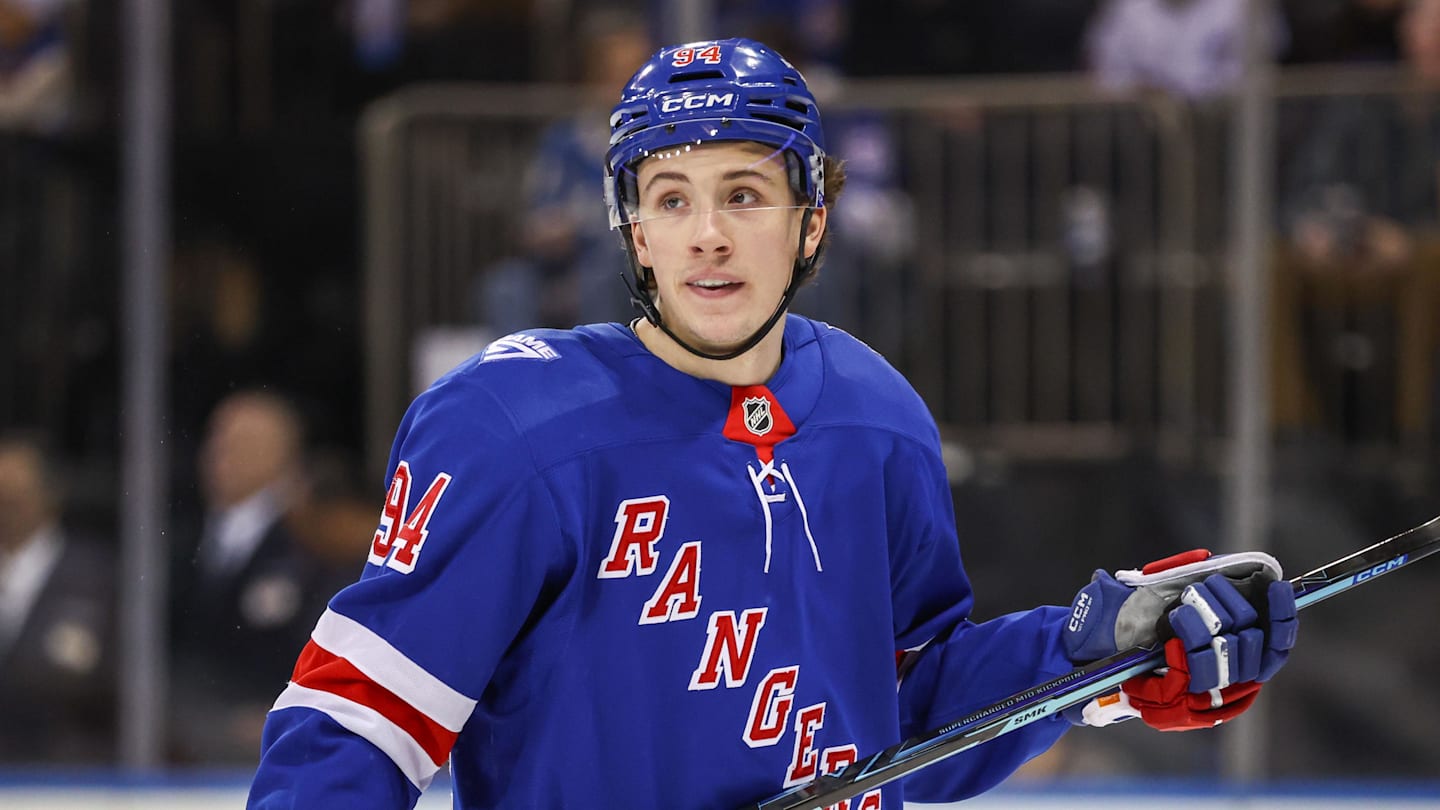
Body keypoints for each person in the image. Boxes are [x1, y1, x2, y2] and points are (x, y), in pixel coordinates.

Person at [248, 38, 1298, 808]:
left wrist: (1095, 659)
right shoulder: (513, 430)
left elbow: (908, 705)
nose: (708, 236)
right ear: (634, 231)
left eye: (745, 195)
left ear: (813, 222)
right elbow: (356, 722)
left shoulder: (876, 417)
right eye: (671, 198)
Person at [169, 390, 352, 764]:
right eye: (216, 439)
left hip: (272, 741)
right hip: (186, 740)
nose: (221, 454)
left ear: (284, 455)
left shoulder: (313, 543)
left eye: (242, 443)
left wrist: (275, 708)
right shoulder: (179, 540)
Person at [0, 433, 116, 764]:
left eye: (15, 498)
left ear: (50, 495)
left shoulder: (98, 578)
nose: (6, 510)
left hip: (69, 771)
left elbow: (106, 685)